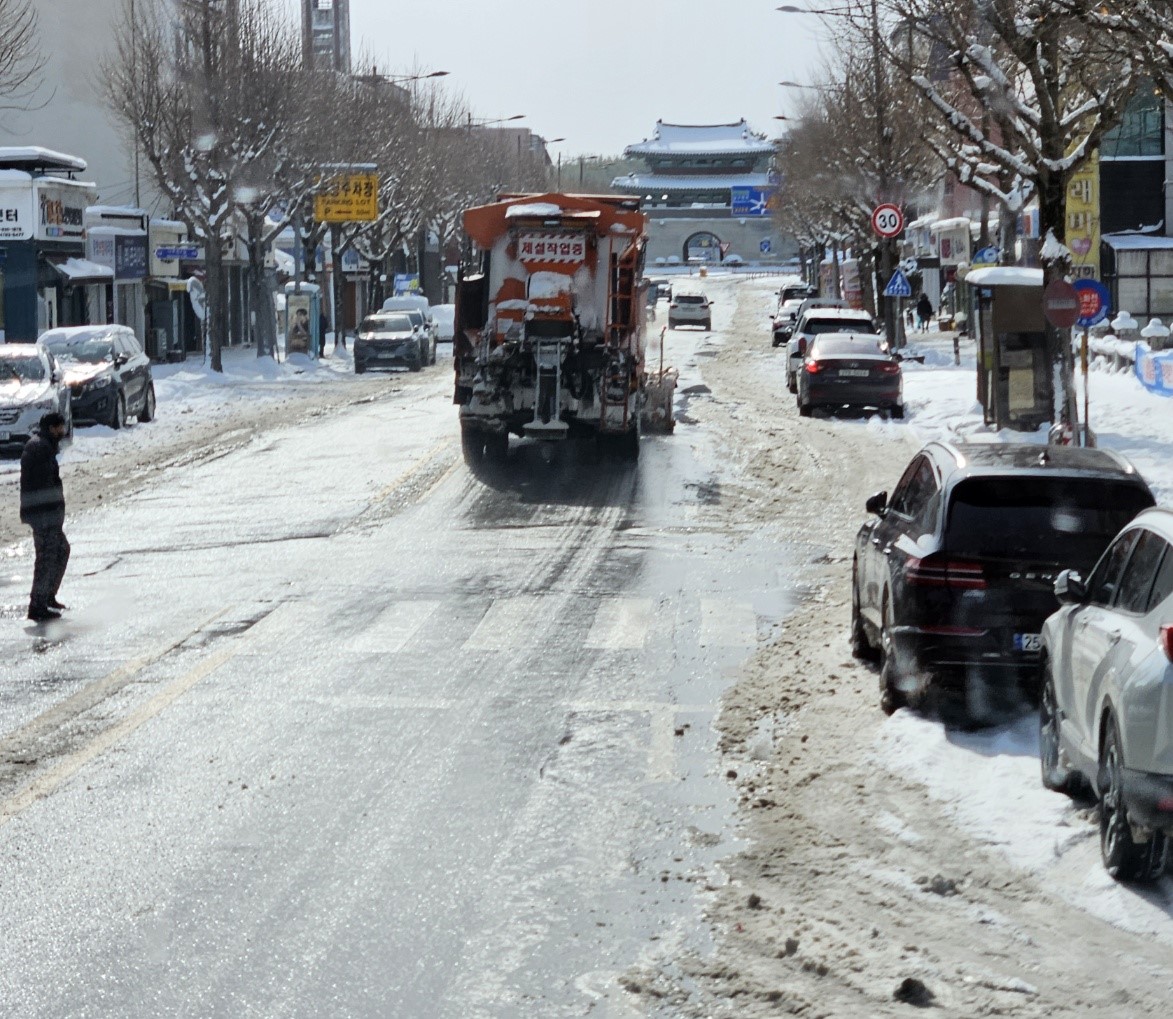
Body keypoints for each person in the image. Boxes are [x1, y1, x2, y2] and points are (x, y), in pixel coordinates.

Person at [20, 412, 70, 622]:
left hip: (48, 515)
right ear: (51, 428)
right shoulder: (39, 448)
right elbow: (42, 485)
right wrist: (50, 513)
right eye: (60, 427)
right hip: (43, 516)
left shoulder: (45, 446)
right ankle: (37, 606)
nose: (63, 431)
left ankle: (48, 596)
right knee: (46, 559)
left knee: (61, 550)